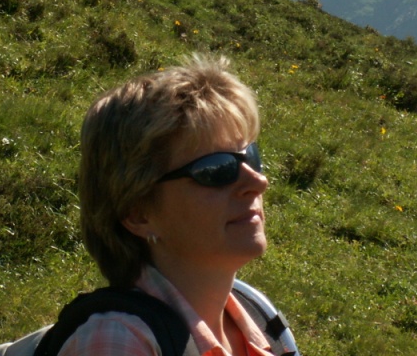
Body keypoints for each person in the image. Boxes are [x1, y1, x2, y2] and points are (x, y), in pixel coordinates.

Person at [67, 53, 280, 356]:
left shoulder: (261, 317)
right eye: (216, 169)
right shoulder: (119, 340)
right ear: (138, 213)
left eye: (251, 157)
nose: (258, 182)